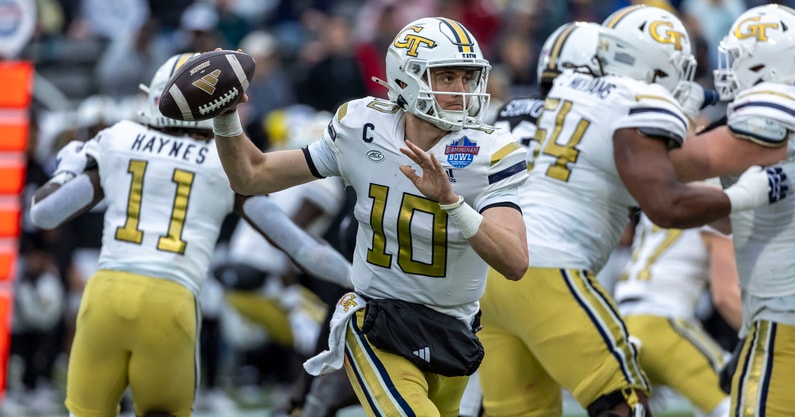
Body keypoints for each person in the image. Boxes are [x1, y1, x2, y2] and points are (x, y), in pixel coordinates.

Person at [211, 16, 530, 417]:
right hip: (377, 323)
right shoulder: (361, 127)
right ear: (405, 79)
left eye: (468, 78)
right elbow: (253, 175)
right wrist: (225, 118)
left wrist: (452, 203)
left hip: (455, 331)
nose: (461, 90)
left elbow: (515, 262)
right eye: (446, 77)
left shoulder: (491, 150)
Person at [479, 6, 787, 417]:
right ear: (656, 66)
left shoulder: (567, 90)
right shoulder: (637, 102)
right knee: (624, 404)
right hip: (551, 267)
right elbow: (668, 204)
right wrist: (750, 192)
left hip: (493, 272)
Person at [28, 52, 356, 417]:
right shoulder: (225, 165)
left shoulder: (118, 138)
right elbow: (303, 248)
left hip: (106, 291)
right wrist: (360, 279)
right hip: (171, 300)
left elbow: (44, 214)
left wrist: (66, 169)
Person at [669, 4, 795, 415]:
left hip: (783, 315)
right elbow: (731, 221)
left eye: (739, 60)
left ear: (769, 65)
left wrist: (671, 117)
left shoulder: (773, 105)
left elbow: (684, 163)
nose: (729, 71)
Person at [613, 208, 740, 417]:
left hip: (621, 325)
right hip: (662, 324)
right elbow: (726, 297)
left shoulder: (664, 194)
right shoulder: (714, 201)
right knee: (741, 398)